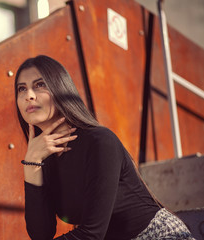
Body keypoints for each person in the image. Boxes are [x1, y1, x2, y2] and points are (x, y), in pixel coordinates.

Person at [14, 55, 194, 240]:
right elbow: (41, 235)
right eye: (22, 89)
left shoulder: (99, 141)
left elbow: (92, 234)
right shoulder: (45, 157)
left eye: (40, 85)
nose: (29, 95)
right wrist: (32, 163)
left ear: (60, 89)